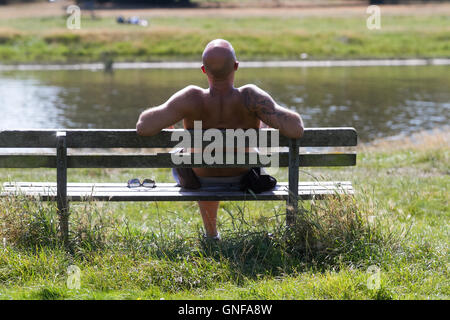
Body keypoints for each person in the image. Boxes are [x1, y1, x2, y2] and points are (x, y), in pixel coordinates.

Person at [136, 39, 304, 240]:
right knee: (248, 148)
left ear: (203, 70)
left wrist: (167, 118)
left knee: (189, 154)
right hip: (244, 175)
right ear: (236, 66)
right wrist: (266, 122)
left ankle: (211, 234)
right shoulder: (250, 97)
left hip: (201, 178)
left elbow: (143, 126)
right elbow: (296, 129)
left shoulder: (191, 98)